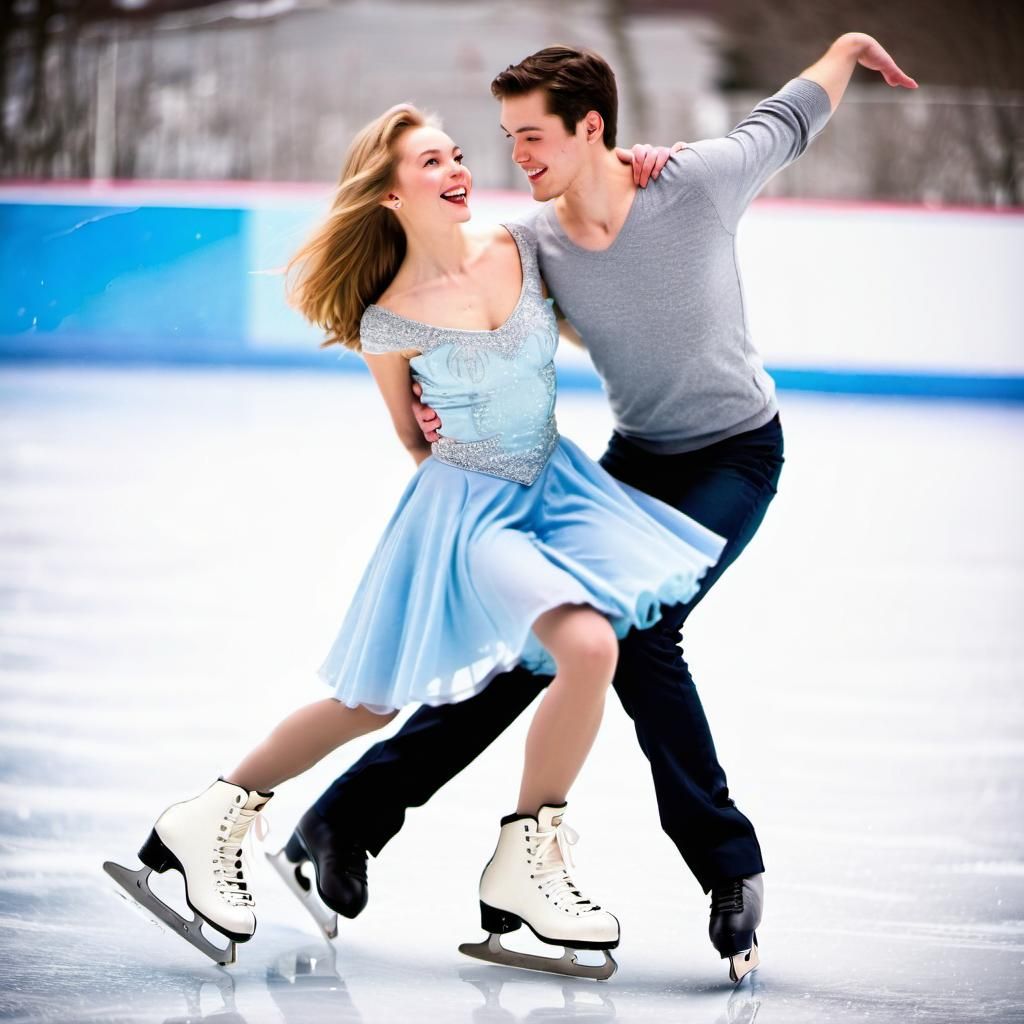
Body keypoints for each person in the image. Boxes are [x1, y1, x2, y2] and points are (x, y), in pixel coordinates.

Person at [278, 34, 916, 983]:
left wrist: (848, 49)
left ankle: (729, 868)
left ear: (590, 128)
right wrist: (430, 392)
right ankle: (345, 820)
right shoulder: (530, 243)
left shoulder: (695, 184)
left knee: (643, 636)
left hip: (735, 454)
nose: (515, 157)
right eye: (506, 137)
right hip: (636, 460)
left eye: (531, 137)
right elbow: (456, 303)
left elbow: (786, 119)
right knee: (550, 645)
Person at [103, 103, 729, 980]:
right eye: (430, 161)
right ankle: (221, 816)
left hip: (560, 491)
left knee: (536, 661)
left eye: (456, 154)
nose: (457, 169)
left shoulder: (519, 248)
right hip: (470, 513)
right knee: (418, 688)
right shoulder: (389, 319)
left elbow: (602, 277)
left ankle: (224, 820)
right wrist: (453, 438)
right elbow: (413, 439)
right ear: (391, 194)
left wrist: (640, 165)